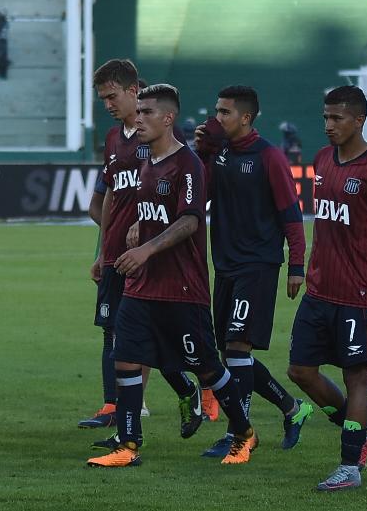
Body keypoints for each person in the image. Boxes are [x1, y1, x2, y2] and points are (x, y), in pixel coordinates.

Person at [86, 84, 256, 468]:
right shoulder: (147, 163)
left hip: (181, 289)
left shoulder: (188, 164)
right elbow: (152, 215)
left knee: (207, 368)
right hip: (142, 287)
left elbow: (190, 220)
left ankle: (244, 433)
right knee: (125, 360)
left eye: (147, 112)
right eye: (139, 111)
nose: (139, 118)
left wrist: (146, 247)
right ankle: (128, 447)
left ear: (168, 118)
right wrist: (137, 232)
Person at [81, 61, 204, 439]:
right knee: (119, 334)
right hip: (119, 254)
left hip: (152, 258)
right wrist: (103, 250)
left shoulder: (160, 136)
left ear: (134, 91)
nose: (107, 105)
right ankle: (131, 408)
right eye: (102, 99)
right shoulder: (114, 139)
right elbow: (108, 197)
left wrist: (145, 229)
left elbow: (173, 199)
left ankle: (133, 409)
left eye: (112, 96)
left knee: (142, 336)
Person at [192, 86, 313, 456]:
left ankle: (237, 435)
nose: (216, 119)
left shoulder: (269, 157)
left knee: (236, 346)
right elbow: (201, 196)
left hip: (258, 264)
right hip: (225, 264)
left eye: (224, 112)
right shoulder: (222, 152)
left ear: (245, 117)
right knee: (232, 355)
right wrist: (202, 156)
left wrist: (296, 265)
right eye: (216, 111)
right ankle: (293, 409)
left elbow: (291, 214)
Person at [284, 85, 367, 491]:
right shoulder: (322, 160)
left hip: (358, 294)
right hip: (319, 290)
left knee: (356, 377)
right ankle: (361, 430)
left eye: (337, 119)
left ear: (358, 119)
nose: (328, 126)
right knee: (300, 371)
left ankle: (350, 466)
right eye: (326, 118)